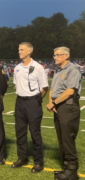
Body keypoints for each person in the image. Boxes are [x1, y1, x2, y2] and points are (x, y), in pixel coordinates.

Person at [11, 42, 49, 173]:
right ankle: (22, 158)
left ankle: (39, 162)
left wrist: (37, 100)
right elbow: (16, 84)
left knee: (35, 133)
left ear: (29, 51)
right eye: (18, 49)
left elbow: (45, 88)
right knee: (20, 132)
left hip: (33, 103)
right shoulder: (17, 67)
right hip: (19, 102)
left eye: (21, 50)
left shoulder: (38, 67)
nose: (19, 51)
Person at [46, 47, 81, 180]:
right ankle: (67, 169)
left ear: (66, 56)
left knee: (67, 139)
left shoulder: (73, 69)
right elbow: (52, 89)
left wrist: (54, 103)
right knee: (61, 139)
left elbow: (70, 91)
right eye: (54, 55)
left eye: (57, 55)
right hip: (59, 106)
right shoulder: (59, 71)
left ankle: (72, 173)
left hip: (68, 106)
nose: (54, 57)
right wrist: (51, 101)